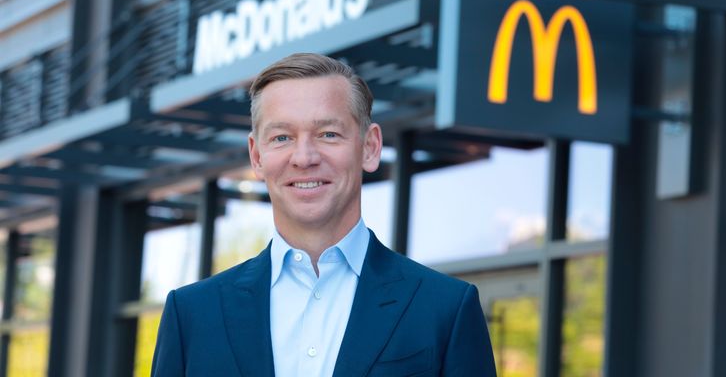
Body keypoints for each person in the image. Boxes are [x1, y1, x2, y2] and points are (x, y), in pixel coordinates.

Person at [151, 53, 496, 376]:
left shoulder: (446, 310)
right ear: (257, 157)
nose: (304, 157)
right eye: (282, 137)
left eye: (328, 134)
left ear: (370, 147)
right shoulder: (192, 315)